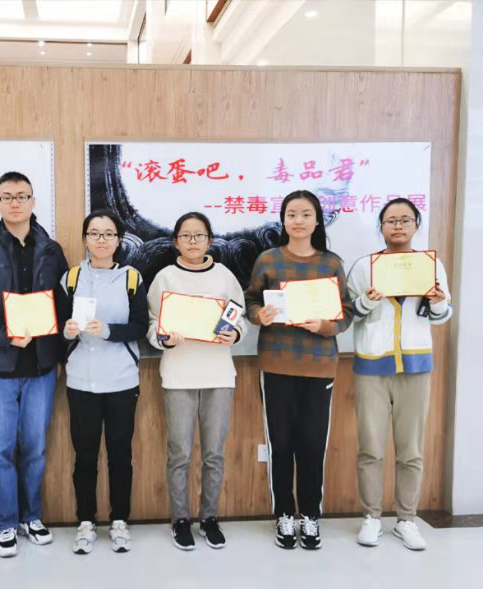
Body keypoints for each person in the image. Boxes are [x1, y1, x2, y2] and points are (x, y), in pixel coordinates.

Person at [0, 171, 68, 557]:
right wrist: (6, 335)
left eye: (22, 196)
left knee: (35, 448)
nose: (15, 202)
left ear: (33, 201)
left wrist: (60, 351)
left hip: (41, 366)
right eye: (7, 196)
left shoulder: (51, 250)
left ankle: (31, 516)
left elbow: (62, 303)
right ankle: (5, 523)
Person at [244, 190, 353, 550]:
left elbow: (346, 312)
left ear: (317, 220)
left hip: (319, 367)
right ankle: (284, 516)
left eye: (306, 214)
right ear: (283, 220)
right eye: (291, 214)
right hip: (276, 364)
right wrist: (258, 315)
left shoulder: (331, 263)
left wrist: (324, 325)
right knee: (281, 444)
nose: (298, 220)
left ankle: (310, 515)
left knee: (312, 445)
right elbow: (250, 299)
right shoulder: (268, 259)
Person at [348, 198, 451, 551]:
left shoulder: (431, 265)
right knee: (371, 448)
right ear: (380, 226)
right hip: (371, 366)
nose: (397, 225)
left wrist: (437, 301)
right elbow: (349, 313)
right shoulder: (364, 267)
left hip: (416, 365)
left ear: (416, 225)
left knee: (411, 450)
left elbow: (442, 315)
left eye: (405, 219)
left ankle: (406, 519)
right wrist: (368, 300)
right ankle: (371, 517)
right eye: (390, 220)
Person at [146, 212, 246, 551]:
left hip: (219, 375)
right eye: (186, 236)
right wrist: (163, 338)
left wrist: (235, 333)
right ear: (176, 242)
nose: (192, 241)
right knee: (180, 454)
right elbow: (152, 324)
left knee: (214, 453)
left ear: (209, 241)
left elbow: (239, 318)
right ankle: (180, 519)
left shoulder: (225, 276)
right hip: (178, 375)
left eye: (199, 235)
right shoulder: (164, 278)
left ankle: (209, 518)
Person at [59, 209, 149, 555]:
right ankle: (85, 521)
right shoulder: (71, 277)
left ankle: (119, 520)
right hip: (81, 380)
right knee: (84, 456)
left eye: (108, 234)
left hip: (121, 380)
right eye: (94, 233)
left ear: (118, 240)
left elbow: (140, 326)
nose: (101, 240)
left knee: (120, 454)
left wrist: (109, 330)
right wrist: (67, 331)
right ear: (85, 239)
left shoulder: (131, 278)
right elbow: (57, 326)